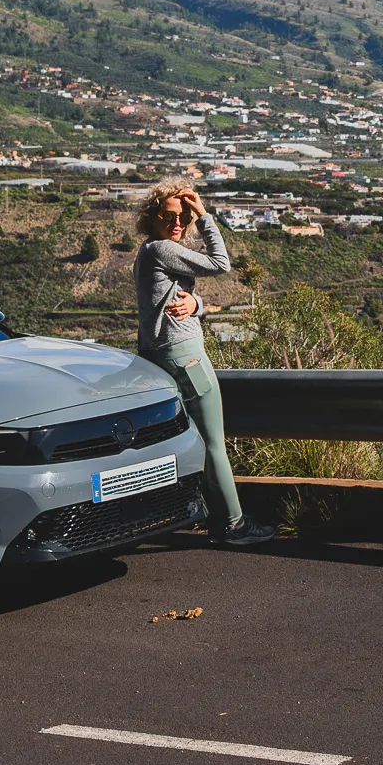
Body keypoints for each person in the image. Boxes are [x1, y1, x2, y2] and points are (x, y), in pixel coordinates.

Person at [133, 179, 273, 548]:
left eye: (184, 217)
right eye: (168, 216)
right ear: (152, 217)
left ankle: (192, 512)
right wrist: (205, 215)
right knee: (213, 443)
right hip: (185, 356)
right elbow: (220, 263)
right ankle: (232, 523)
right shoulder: (162, 249)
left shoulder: (150, 251)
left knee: (182, 440)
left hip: (162, 352)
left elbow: (169, 302)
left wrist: (197, 305)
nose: (177, 223)